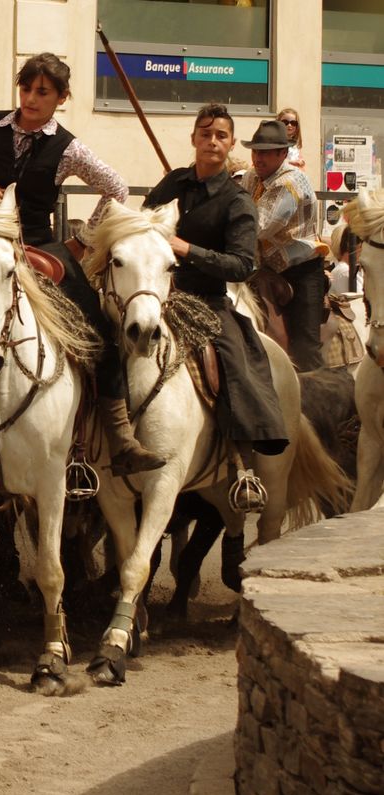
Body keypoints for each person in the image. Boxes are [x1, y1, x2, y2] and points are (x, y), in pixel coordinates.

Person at [0, 52, 155, 476]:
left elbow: (116, 189)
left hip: (38, 246)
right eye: (26, 89)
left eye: (42, 92)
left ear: (61, 98)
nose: (30, 98)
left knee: (98, 330)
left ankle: (119, 436)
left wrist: (82, 241)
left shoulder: (69, 147)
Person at [143, 103, 288, 505]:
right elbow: (143, 224)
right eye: (205, 133)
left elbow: (242, 264)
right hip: (157, 294)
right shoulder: (171, 184)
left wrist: (187, 249)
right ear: (193, 139)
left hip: (207, 300)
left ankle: (242, 469)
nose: (212, 141)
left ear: (230, 144)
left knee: (232, 362)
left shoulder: (237, 201)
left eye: (220, 135)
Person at [240, 119, 325, 372]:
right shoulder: (250, 176)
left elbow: (257, 226)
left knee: (305, 346)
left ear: (283, 153)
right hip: (264, 267)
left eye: (265, 152)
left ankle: (314, 393)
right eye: (256, 151)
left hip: (301, 269)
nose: (258, 158)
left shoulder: (289, 183)